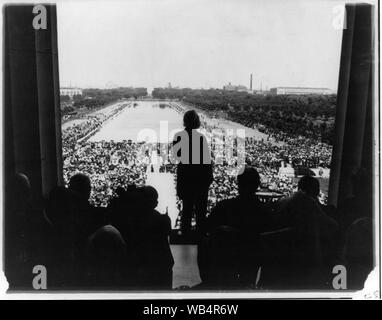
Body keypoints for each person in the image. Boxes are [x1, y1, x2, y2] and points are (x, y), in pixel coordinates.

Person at [200, 166, 268, 288]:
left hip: (223, 261)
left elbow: (206, 231)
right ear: (258, 184)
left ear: (238, 184)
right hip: (250, 261)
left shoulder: (223, 207)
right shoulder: (264, 211)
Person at [172, 110, 213, 235]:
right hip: (200, 178)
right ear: (197, 122)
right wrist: (208, 179)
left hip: (186, 178)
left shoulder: (178, 136)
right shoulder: (201, 138)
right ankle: (201, 241)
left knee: (186, 211)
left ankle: (185, 238)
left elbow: (178, 157)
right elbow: (206, 161)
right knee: (201, 213)